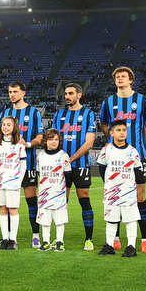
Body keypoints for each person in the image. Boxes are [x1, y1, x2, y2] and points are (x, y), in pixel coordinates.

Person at [100, 66, 146, 251]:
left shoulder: (142, 100)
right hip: (115, 158)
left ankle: (144, 239)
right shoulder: (108, 102)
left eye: (123, 76)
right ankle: (115, 238)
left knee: (140, 197)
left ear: (131, 79)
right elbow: (104, 123)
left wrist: (140, 139)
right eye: (117, 76)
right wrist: (112, 139)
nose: (120, 78)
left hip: (137, 155)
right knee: (114, 195)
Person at [52, 82, 98, 249]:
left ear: (79, 95)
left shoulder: (88, 114)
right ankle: (59, 239)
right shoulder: (59, 114)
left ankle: (88, 239)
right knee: (60, 201)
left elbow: (89, 142)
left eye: (71, 93)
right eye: (65, 94)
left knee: (84, 199)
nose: (67, 97)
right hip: (61, 167)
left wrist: (71, 158)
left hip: (80, 164)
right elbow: (53, 139)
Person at [2, 81, 43, 241]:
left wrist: (28, 144)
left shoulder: (33, 112)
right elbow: (0, 134)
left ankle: (36, 235)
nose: (12, 95)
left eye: (15, 92)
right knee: (7, 203)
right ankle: (9, 237)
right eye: (10, 92)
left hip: (28, 163)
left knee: (31, 199)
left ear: (23, 93)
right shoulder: (6, 112)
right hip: (8, 167)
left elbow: (40, 137)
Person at [97, 120, 142, 258]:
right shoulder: (106, 150)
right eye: (118, 130)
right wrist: (110, 184)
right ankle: (109, 245)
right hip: (111, 192)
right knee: (111, 219)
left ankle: (131, 247)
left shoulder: (133, 151)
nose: (122, 133)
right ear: (111, 133)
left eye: (124, 130)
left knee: (130, 219)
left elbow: (138, 171)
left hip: (128, 192)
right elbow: (102, 168)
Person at [0, 115, 27, 250]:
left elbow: (23, 165)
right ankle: (5, 239)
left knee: (13, 209)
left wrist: (18, 180)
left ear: (14, 127)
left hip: (13, 182)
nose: (5, 127)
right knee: (2, 209)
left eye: (8, 125)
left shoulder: (19, 145)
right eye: (3, 124)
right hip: (0, 182)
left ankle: (13, 240)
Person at [35, 128, 72, 252]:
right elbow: (39, 173)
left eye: (56, 139)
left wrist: (64, 192)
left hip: (59, 193)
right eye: (51, 139)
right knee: (44, 219)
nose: (54, 142)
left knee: (60, 220)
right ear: (45, 141)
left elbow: (68, 175)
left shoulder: (63, 156)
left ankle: (60, 242)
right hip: (44, 193)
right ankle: (46, 241)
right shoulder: (40, 156)